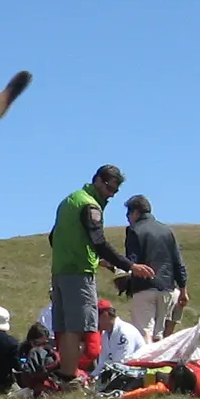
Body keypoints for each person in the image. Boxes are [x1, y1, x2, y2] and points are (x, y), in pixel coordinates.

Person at [49, 164, 155, 385]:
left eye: (115, 191)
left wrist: (87, 256)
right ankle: (70, 378)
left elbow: (54, 237)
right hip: (79, 274)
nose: (111, 194)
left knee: (66, 327)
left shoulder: (70, 200)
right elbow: (98, 241)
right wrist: (130, 266)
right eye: (109, 188)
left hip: (60, 271)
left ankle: (64, 376)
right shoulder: (90, 206)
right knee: (78, 328)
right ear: (97, 180)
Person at [118, 194, 189, 342]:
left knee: (144, 333)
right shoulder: (167, 231)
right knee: (159, 335)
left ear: (136, 212)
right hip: (167, 288)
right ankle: (158, 364)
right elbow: (178, 262)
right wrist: (183, 290)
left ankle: (147, 365)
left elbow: (132, 261)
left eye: (128, 213)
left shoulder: (134, 230)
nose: (127, 217)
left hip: (144, 287)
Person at [94, 298, 147, 375]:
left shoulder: (124, 332)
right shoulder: (105, 334)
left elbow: (122, 363)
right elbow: (102, 362)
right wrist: (92, 376)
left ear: (105, 315)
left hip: (135, 374)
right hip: (120, 373)